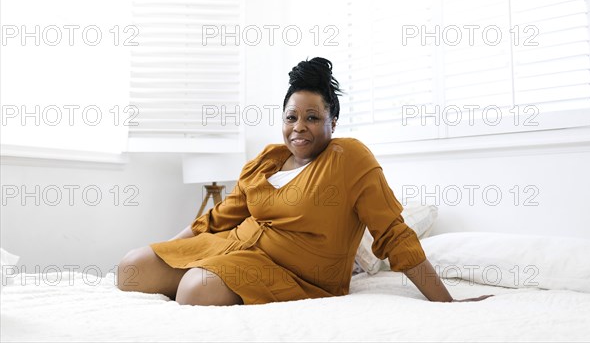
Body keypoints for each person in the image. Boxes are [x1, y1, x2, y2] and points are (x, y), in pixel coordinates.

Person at [117, 57, 492, 305]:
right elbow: (217, 220)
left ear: (333, 123)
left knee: (193, 292)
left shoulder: (349, 159)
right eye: (291, 116)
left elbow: (394, 232)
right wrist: (172, 248)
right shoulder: (267, 160)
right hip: (233, 245)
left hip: (298, 274)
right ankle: (201, 270)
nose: (299, 127)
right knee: (130, 269)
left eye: (313, 117)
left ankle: (206, 278)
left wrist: (446, 303)